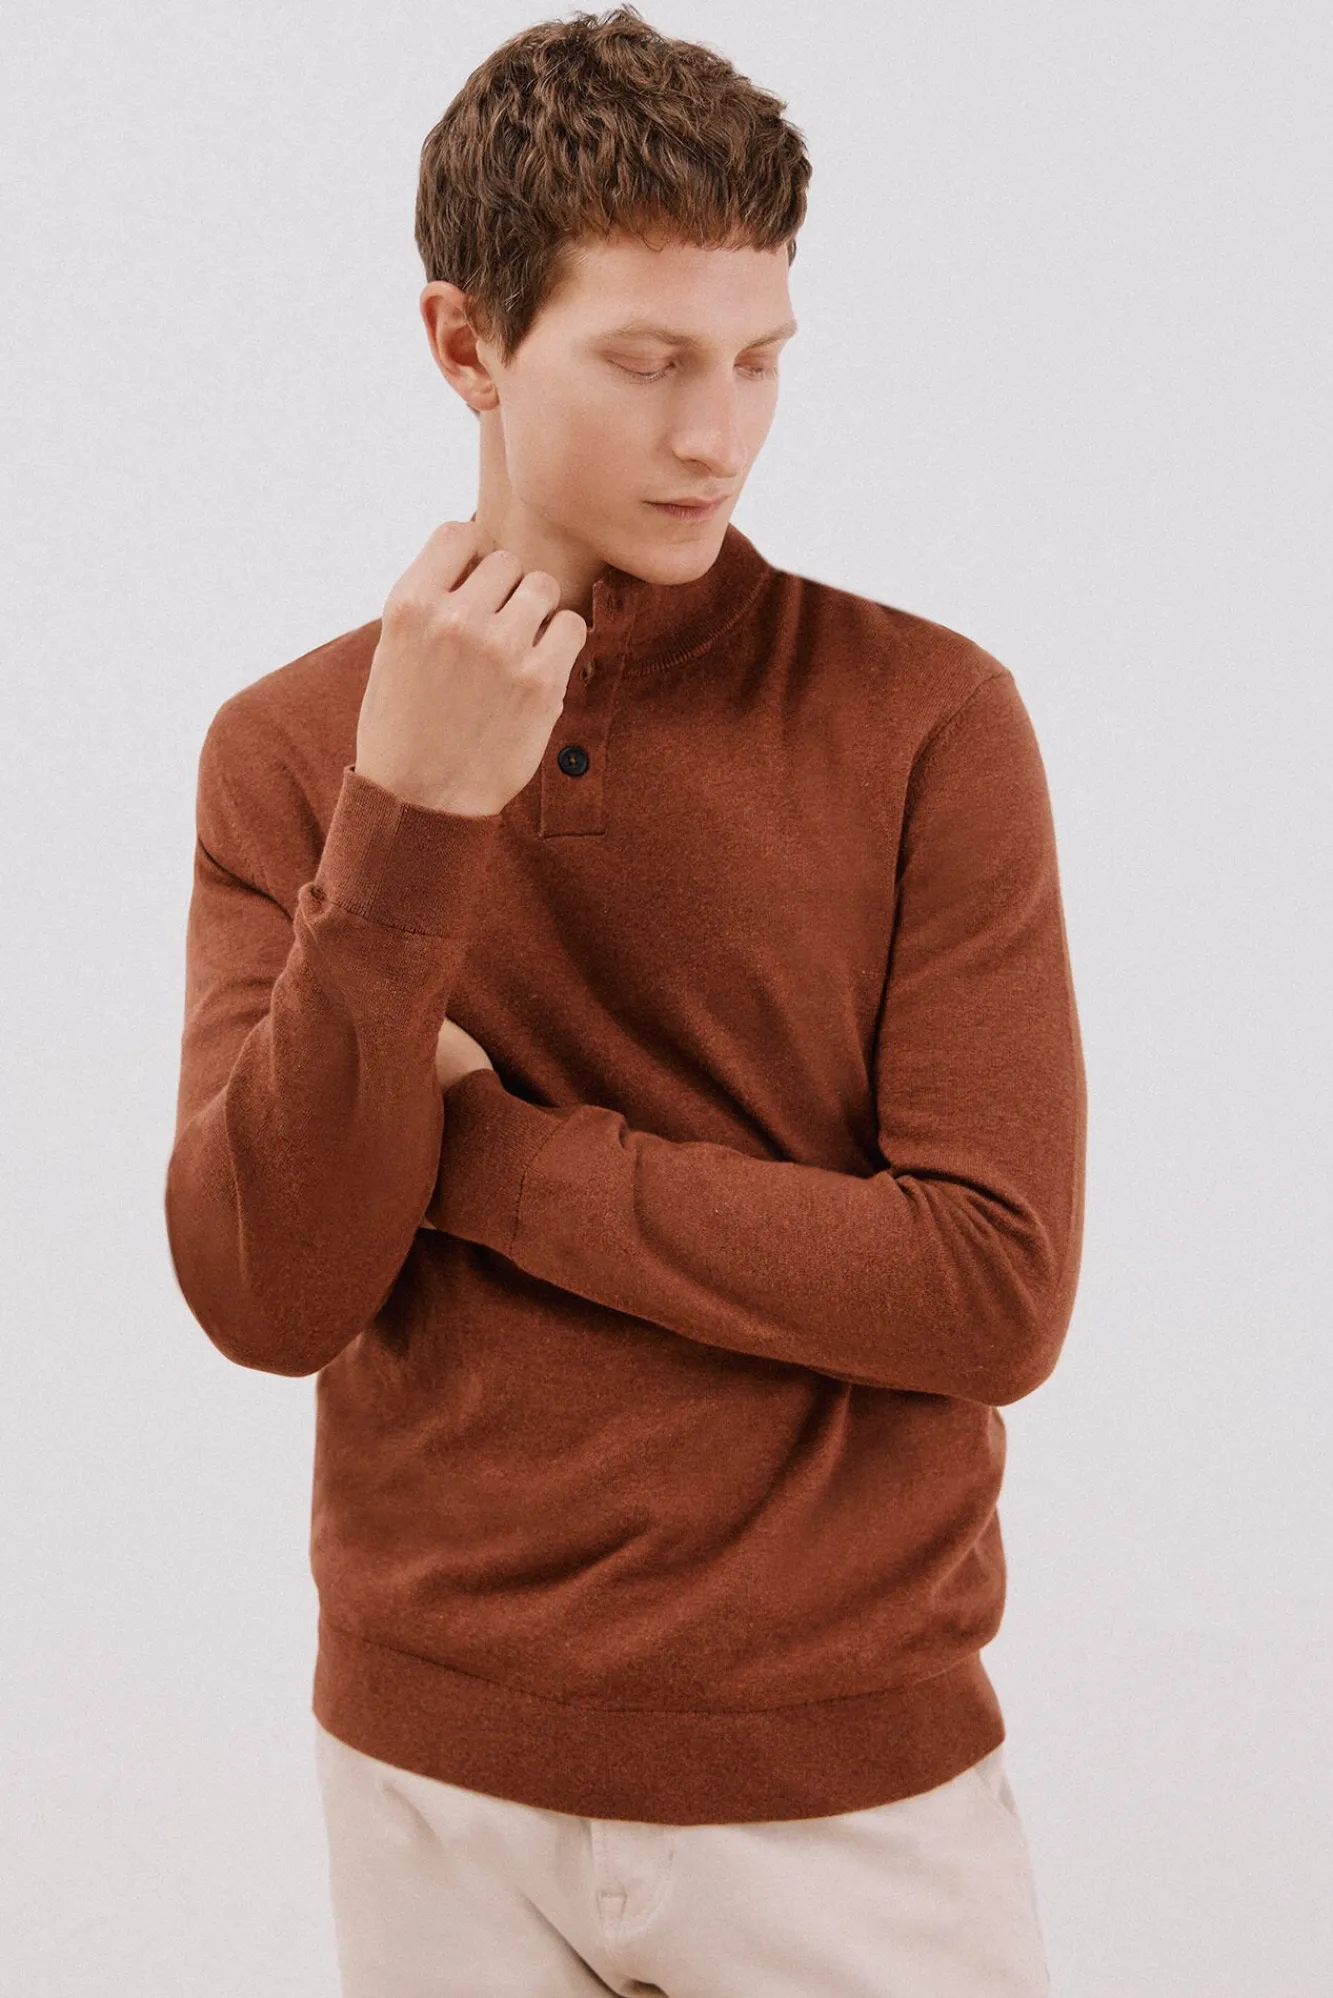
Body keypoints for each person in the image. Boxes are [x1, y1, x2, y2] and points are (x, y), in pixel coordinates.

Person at [164, 7, 1085, 1993]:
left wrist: (484, 1156)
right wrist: (407, 822)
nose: (716, 437)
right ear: (466, 344)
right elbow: (265, 1291)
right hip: (430, 1786)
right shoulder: (293, 752)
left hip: (843, 1798)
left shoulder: (926, 720)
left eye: (760, 360)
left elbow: (990, 1286)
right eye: (648, 362)